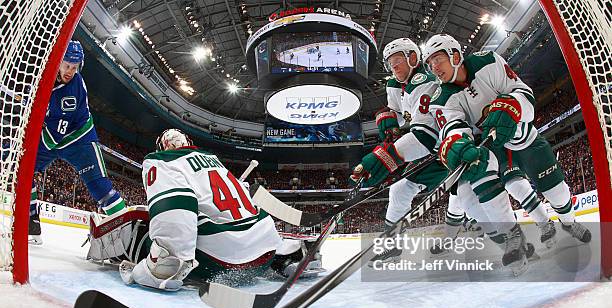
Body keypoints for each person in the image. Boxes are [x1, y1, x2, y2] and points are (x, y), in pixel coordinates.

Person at [352, 37, 531, 274]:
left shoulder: (424, 83)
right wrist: (387, 115)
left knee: (467, 198)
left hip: (443, 148)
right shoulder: (397, 87)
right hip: (440, 146)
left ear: (412, 58)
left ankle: (513, 242)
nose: (393, 67)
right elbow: (402, 114)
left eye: (397, 61)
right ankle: (515, 245)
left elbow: (425, 134)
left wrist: (388, 156)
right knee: (464, 200)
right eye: (389, 63)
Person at [87, 129, 321, 291]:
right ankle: (287, 256)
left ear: (162, 146)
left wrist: (165, 264)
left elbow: (177, 208)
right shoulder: (214, 160)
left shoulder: (160, 160)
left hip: (223, 262)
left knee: (142, 230)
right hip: (266, 249)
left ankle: (155, 262)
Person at [421, 34, 590, 244]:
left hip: (524, 136)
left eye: (437, 59)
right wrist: (457, 142)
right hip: (495, 146)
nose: (434, 67)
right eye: (429, 63)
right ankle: (535, 228)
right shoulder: (441, 98)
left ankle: (568, 221)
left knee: (557, 191)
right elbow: (454, 128)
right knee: (514, 186)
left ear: (455, 56)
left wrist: (513, 105)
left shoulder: (488, 62)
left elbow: (524, 94)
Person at [28, 41, 126, 245]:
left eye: (74, 67)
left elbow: (53, 137)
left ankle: (127, 233)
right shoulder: (44, 74)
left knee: (100, 187)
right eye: (67, 65)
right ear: (57, 62)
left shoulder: (72, 91)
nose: (70, 71)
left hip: (79, 141)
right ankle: (31, 224)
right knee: (23, 171)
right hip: (53, 136)